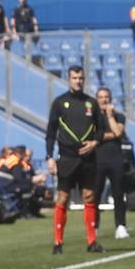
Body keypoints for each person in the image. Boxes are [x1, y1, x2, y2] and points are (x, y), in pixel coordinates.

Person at [45, 65, 106, 254]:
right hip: (67, 158)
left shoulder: (92, 103)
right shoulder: (59, 103)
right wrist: (49, 157)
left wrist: (94, 143)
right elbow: (50, 132)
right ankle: (57, 243)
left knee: (89, 196)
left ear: (84, 80)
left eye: (81, 78)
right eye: (74, 78)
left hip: (88, 158)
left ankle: (92, 241)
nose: (78, 81)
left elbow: (102, 130)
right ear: (68, 79)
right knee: (63, 198)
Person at [93, 87, 130, 240]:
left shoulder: (118, 116)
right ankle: (94, 226)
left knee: (118, 194)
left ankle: (120, 226)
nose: (104, 100)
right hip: (97, 159)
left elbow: (118, 132)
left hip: (115, 159)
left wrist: (109, 117)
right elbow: (94, 135)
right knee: (95, 194)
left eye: (106, 97)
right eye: (101, 97)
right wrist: (109, 135)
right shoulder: (92, 117)